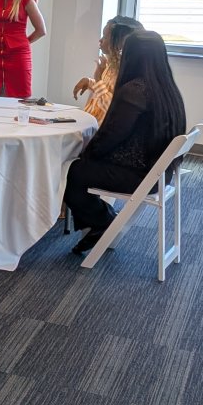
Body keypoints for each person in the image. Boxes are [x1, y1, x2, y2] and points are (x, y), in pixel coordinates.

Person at [64, 31, 187, 254]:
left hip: (140, 175)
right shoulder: (166, 87)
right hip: (160, 173)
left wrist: (86, 154)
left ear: (133, 56)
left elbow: (111, 135)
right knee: (81, 165)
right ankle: (101, 223)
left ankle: (103, 222)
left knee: (71, 171)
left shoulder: (135, 90)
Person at [71, 16, 145, 123]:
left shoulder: (125, 72)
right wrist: (89, 82)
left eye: (105, 37)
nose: (100, 40)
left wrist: (98, 80)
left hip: (102, 128)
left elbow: (112, 108)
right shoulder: (111, 65)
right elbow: (106, 90)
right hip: (91, 121)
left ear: (118, 43)